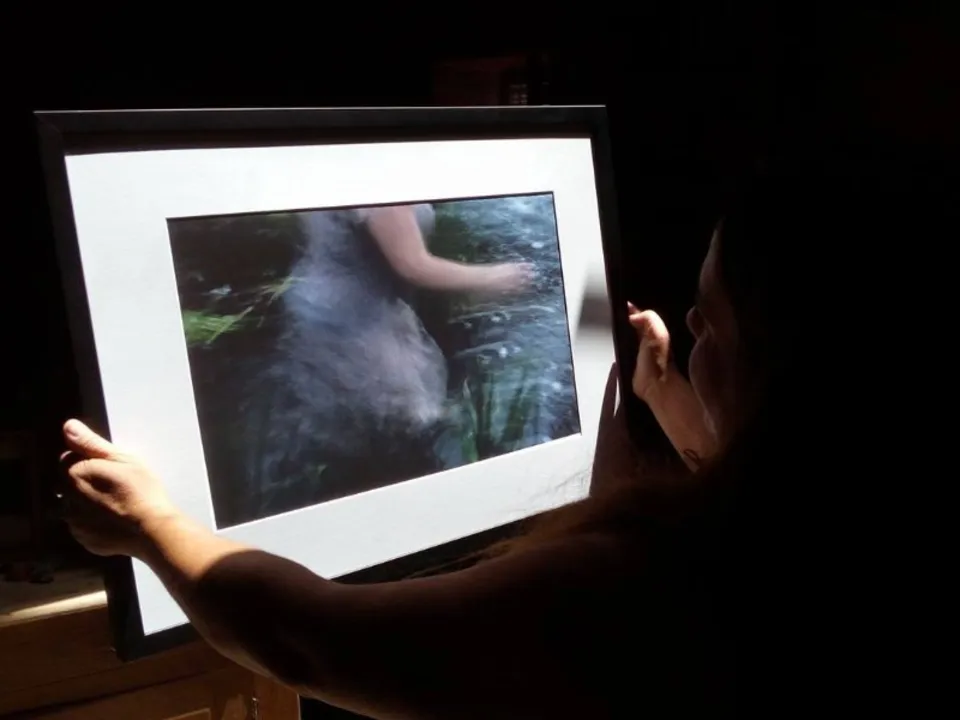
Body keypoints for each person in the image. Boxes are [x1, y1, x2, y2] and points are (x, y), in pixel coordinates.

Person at [58, 166, 880, 718]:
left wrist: (152, 525)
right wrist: (668, 393)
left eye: (710, 319)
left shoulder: (649, 585)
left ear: (775, 366)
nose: (688, 323)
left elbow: (314, 641)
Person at [229, 203, 534, 524]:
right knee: (397, 434)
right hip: (353, 323)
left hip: (330, 307)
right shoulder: (374, 184)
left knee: (349, 435)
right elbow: (412, 264)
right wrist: (496, 277)